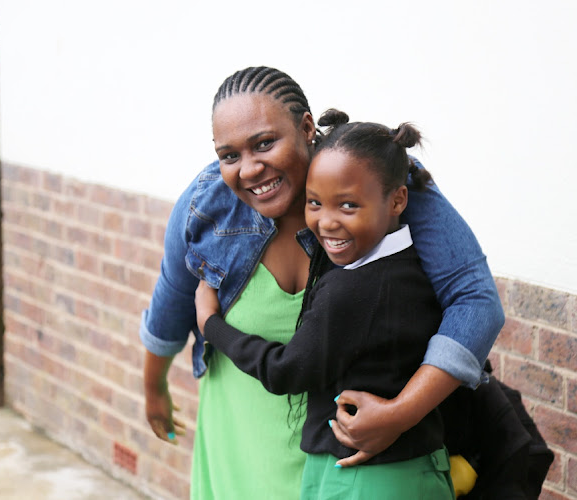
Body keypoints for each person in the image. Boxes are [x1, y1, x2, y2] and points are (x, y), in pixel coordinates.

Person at [140, 66, 505, 499]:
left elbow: (476, 301)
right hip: (239, 441)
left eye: (265, 143)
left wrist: (400, 415)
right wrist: (154, 388)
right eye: (229, 154)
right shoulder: (209, 201)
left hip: (355, 464)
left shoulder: (377, 175)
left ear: (307, 127)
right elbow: (173, 299)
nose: (250, 169)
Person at [194, 109, 455, 499]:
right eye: (314, 203)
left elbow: (286, 371)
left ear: (398, 199)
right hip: (393, 467)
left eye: (348, 205)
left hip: (369, 480)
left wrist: (211, 323)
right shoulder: (411, 266)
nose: (327, 223)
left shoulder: (354, 288)